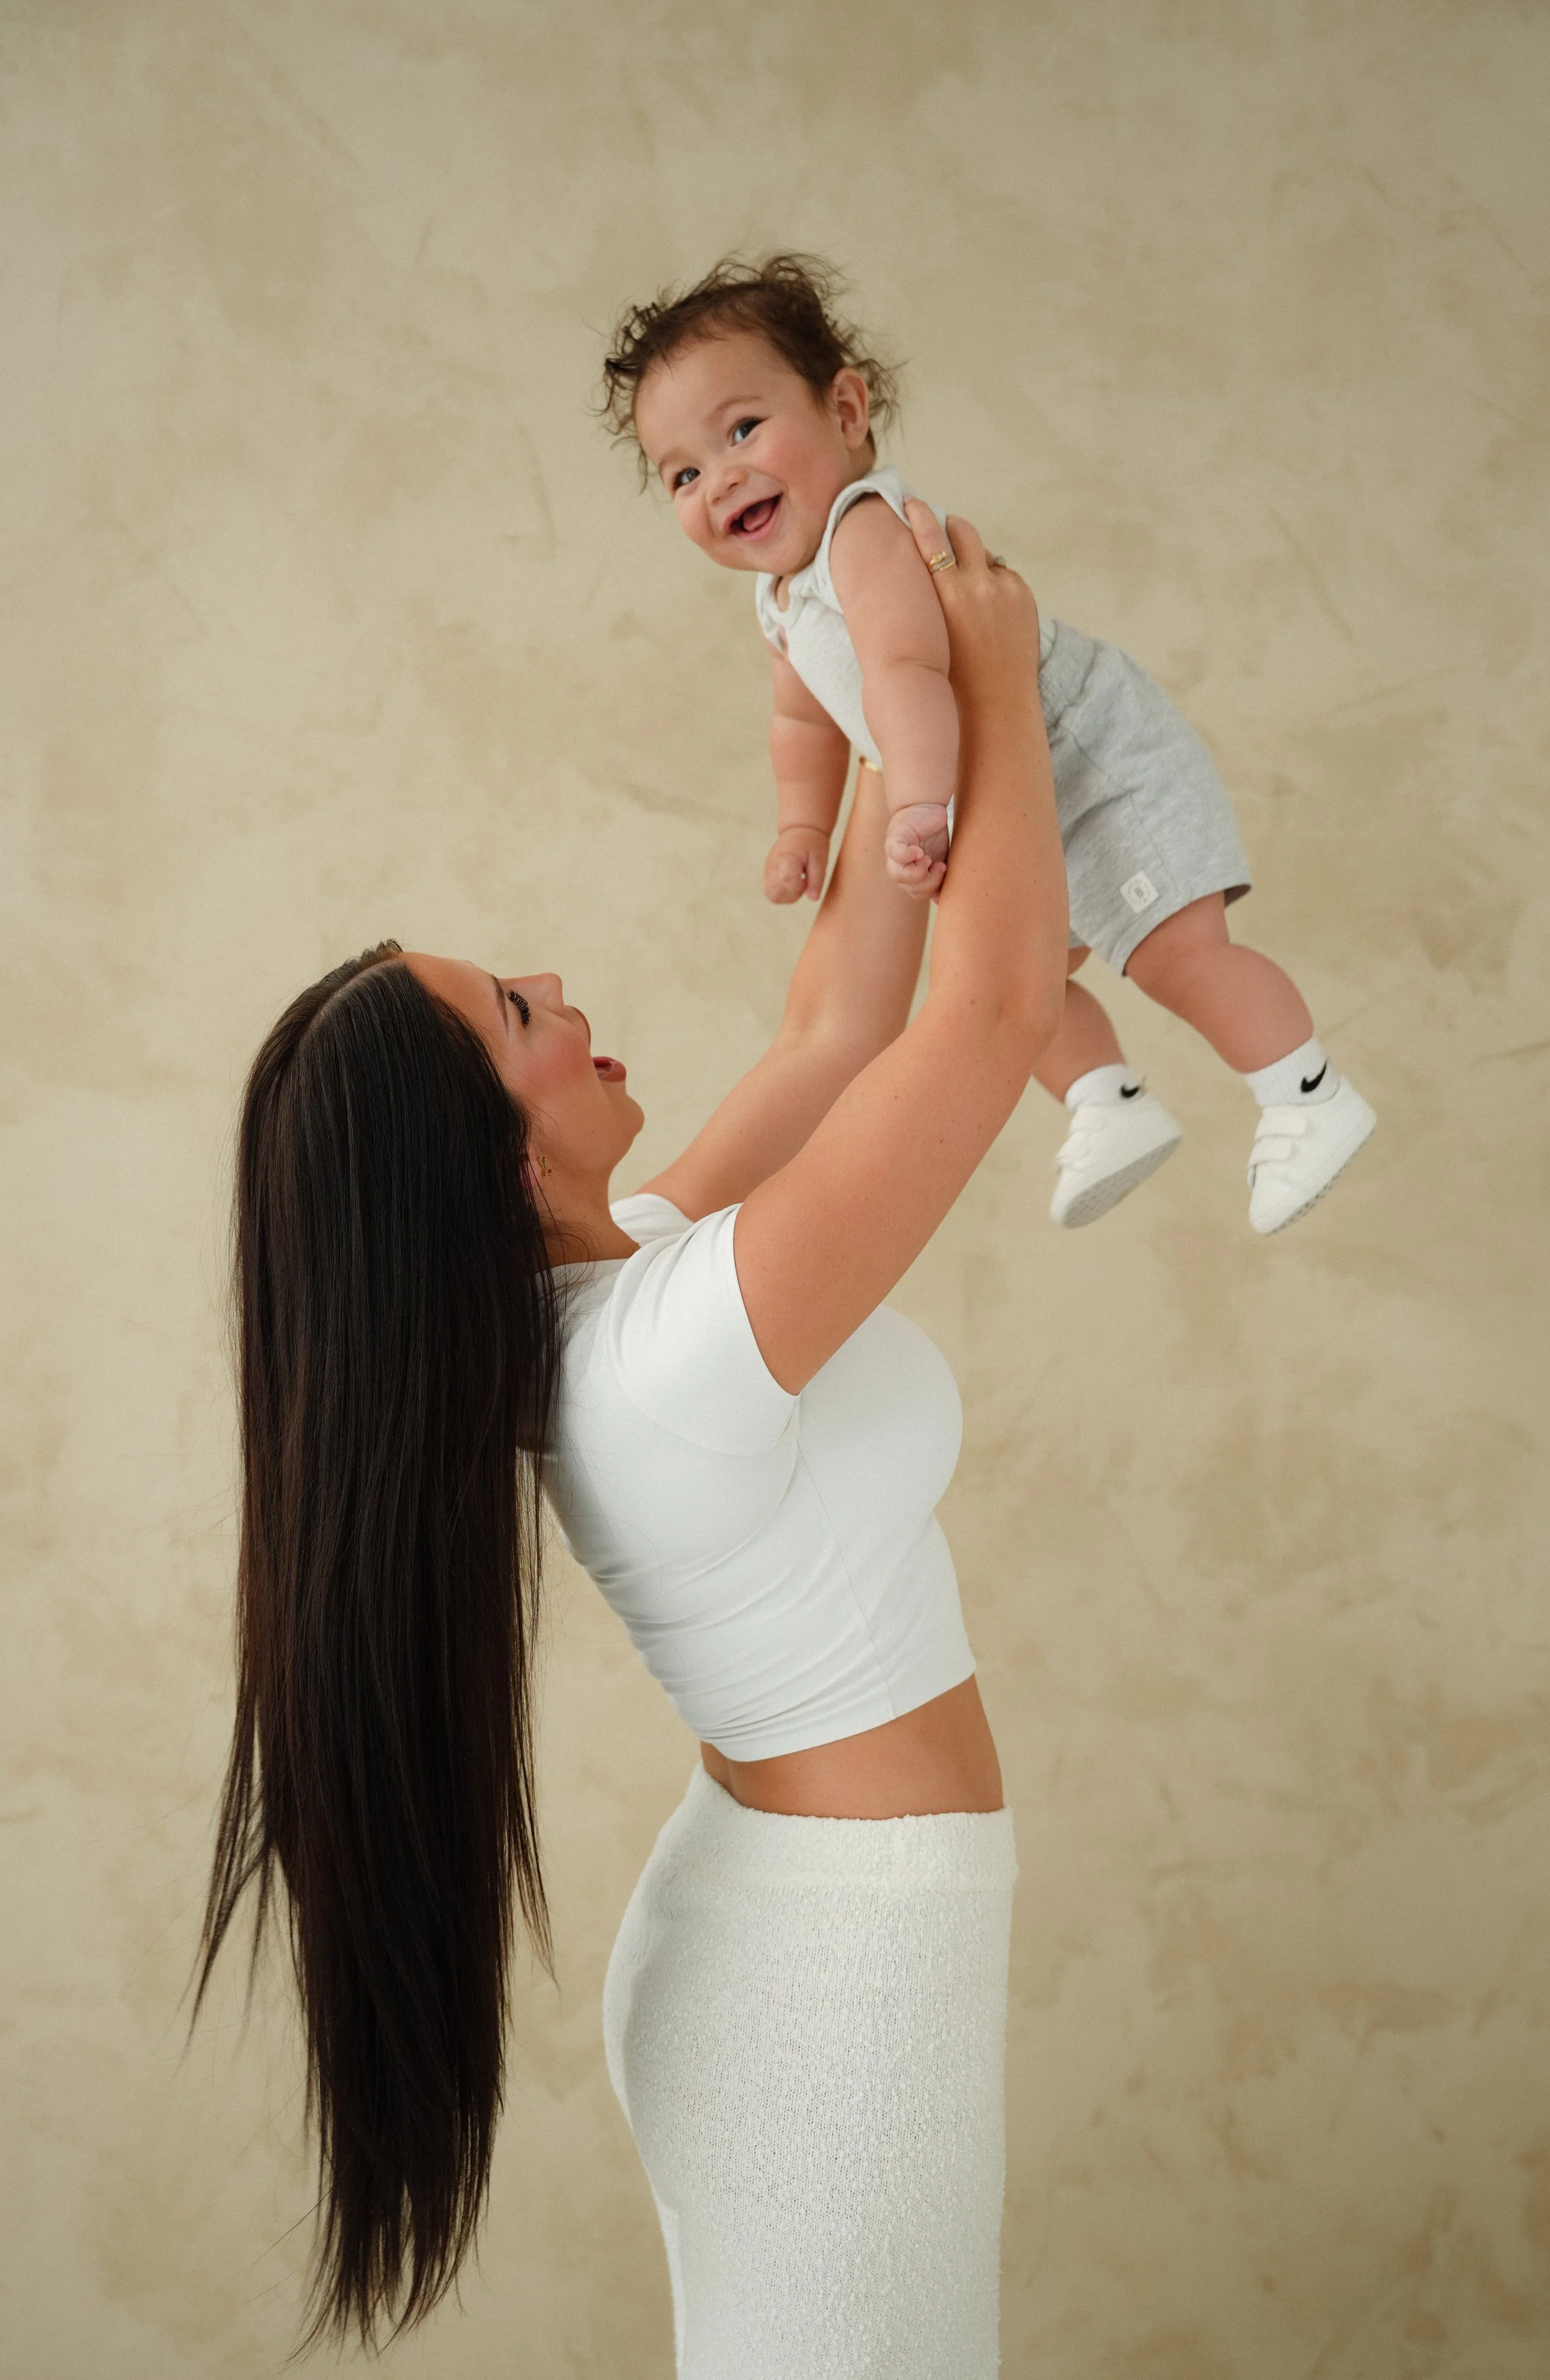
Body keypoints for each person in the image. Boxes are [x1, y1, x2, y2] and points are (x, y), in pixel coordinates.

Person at [196, 506, 1066, 2376]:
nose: (563, 991)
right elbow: (987, 1018)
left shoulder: (614, 1294)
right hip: (836, 1980)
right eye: (517, 1009)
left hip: (800, 1934)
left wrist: (881, 721)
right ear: (494, 1162)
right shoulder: (670, 1352)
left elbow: (841, 1014)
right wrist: (990, 681)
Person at [601, 251, 1377, 1237]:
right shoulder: (782, 598)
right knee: (1016, 976)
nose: (721, 480)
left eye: (743, 429)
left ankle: (1306, 1091)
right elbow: (806, 723)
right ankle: (1111, 1104)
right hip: (1005, 792)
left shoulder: (862, 530)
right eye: (683, 473)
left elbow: (909, 673)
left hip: (1087, 758)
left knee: (1176, 953)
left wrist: (923, 806)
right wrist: (802, 824)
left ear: (845, 411)